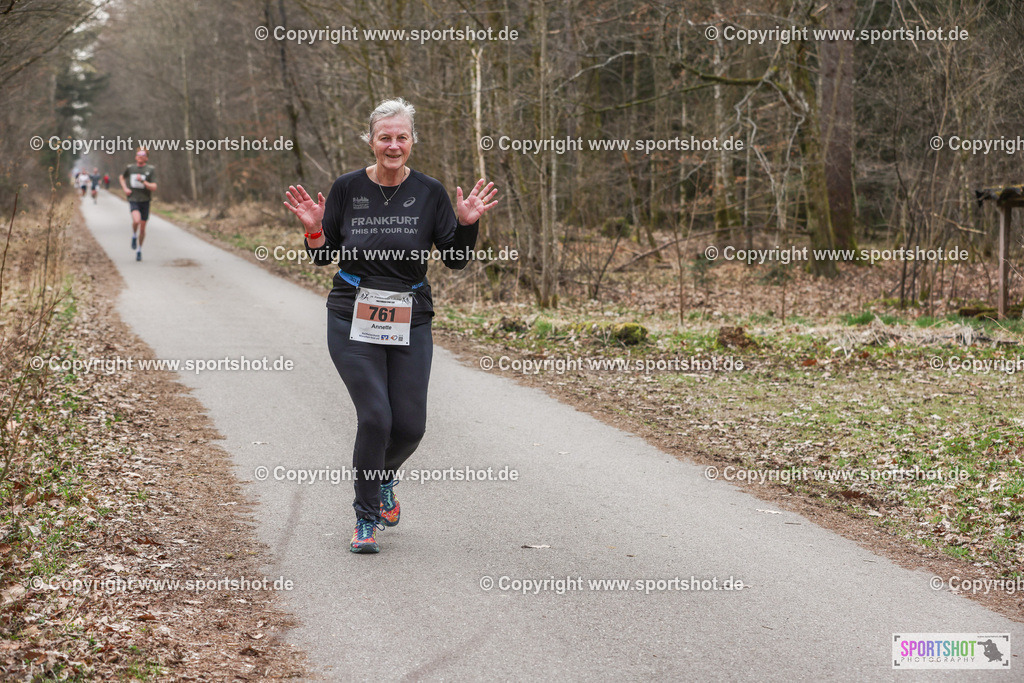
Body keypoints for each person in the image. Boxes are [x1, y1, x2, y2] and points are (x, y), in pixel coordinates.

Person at [284, 98, 498, 554]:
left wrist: (466, 226)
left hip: (411, 315)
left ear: (413, 142)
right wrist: (313, 229)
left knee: (411, 427)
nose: (393, 145)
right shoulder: (346, 189)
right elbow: (323, 255)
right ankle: (365, 518)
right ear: (371, 141)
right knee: (376, 418)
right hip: (351, 312)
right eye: (385, 137)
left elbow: (456, 261)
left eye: (402, 137)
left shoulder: (429, 192)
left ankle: (382, 479)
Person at [119, 148, 157, 261]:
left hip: (145, 200)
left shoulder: (150, 169)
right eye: (138, 154)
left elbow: (154, 187)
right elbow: (121, 177)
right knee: (136, 221)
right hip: (133, 199)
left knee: (143, 229)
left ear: (146, 157)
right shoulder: (131, 168)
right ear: (136, 157)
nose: (140, 156)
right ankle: (134, 235)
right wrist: (125, 188)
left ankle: (139, 250)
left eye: (143, 154)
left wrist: (144, 182)